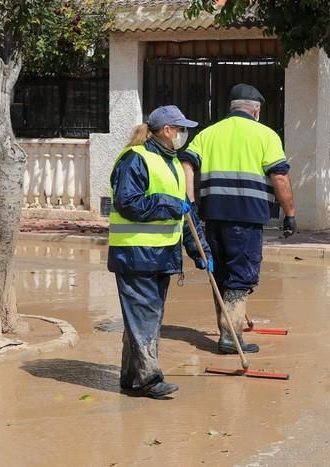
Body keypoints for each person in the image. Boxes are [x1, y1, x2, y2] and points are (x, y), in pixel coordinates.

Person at [179, 83, 296, 355]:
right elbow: (279, 176)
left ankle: (228, 328)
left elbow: (186, 164)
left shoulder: (208, 134)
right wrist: (289, 214)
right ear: (255, 110)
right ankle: (231, 338)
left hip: (212, 217)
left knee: (220, 273)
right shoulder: (265, 135)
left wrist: (190, 201)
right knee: (241, 276)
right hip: (246, 219)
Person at [108, 105, 213, 399]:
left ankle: (132, 376)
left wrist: (200, 251)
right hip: (135, 254)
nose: (183, 135)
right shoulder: (135, 159)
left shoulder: (172, 163)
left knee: (143, 317)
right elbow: (128, 203)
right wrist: (168, 203)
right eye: (181, 129)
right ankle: (150, 379)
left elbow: (186, 217)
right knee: (145, 316)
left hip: (161, 255)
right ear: (167, 131)